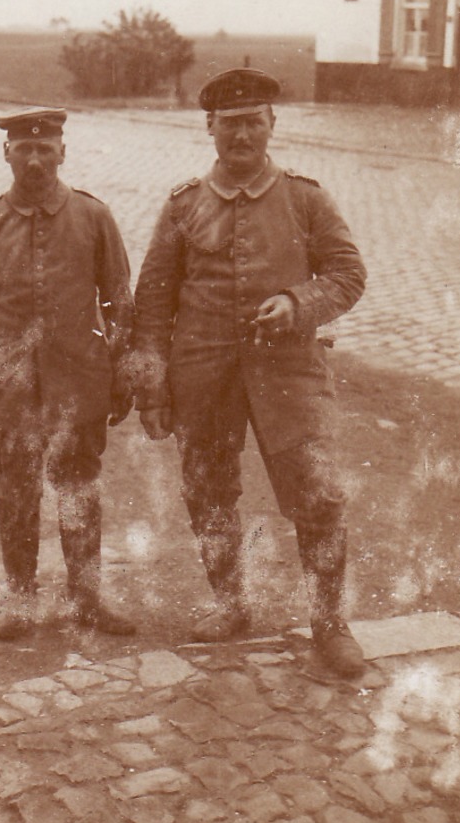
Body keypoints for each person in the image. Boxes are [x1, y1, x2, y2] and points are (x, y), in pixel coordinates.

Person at [133, 68, 368, 676]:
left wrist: (297, 303)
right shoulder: (184, 205)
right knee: (208, 491)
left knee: (318, 491)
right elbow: (154, 301)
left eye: (253, 123)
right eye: (229, 124)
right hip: (202, 373)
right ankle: (229, 602)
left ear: (271, 125)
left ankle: (329, 621)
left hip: (289, 369)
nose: (242, 135)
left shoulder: (306, 198)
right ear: (209, 128)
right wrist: (152, 387)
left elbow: (347, 274)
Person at [0, 106, 135, 639]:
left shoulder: (94, 217)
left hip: (80, 383)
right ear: (7, 154)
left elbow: (118, 300)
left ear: (63, 153)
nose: (34, 159)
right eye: (23, 149)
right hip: (8, 389)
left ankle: (87, 598)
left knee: (80, 490)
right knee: (16, 495)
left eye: (45, 149)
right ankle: (21, 601)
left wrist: (125, 375)